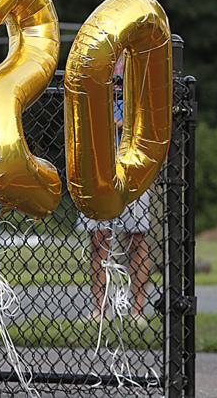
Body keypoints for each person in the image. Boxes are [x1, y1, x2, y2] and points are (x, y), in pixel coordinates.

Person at [83, 56, 153, 323]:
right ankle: (99, 309)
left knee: (136, 236)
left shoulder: (142, 62)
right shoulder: (95, 60)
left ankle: (136, 309)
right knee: (100, 238)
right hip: (100, 164)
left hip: (133, 165)